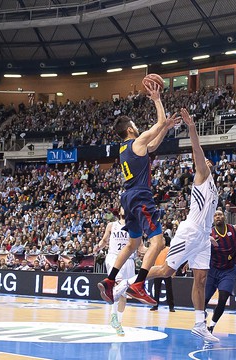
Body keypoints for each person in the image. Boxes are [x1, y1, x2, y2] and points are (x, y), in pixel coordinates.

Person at [113, 108, 220, 343]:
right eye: (205, 162)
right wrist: (192, 128)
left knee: (201, 279)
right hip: (190, 232)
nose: (207, 163)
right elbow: (197, 150)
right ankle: (124, 284)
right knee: (166, 272)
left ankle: (200, 324)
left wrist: (209, 234)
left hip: (202, 235)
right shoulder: (202, 174)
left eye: (210, 162)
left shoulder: (215, 187)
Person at [98, 79, 180, 306]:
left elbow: (153, 147)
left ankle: (109, 280)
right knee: (158, 242)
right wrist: (157, 100)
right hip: (140, 195)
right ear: (130, 129)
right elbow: (159, 121)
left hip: (128, 198)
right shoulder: (137, 139)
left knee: (133, 244)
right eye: (134, 124)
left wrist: (164, 129)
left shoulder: (125, 148)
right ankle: (138, 284)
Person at [94, 208, 142, 336]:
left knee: (124, 294)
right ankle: (113, 315)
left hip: (129, 260)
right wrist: (98, 246)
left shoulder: (135, 226)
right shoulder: (112, 225)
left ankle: (118, 322)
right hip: (114, 258)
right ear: (119, 211)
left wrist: (155, 248)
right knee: (118, 284)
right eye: (123, 206)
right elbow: (104, 241)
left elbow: (141, 247)